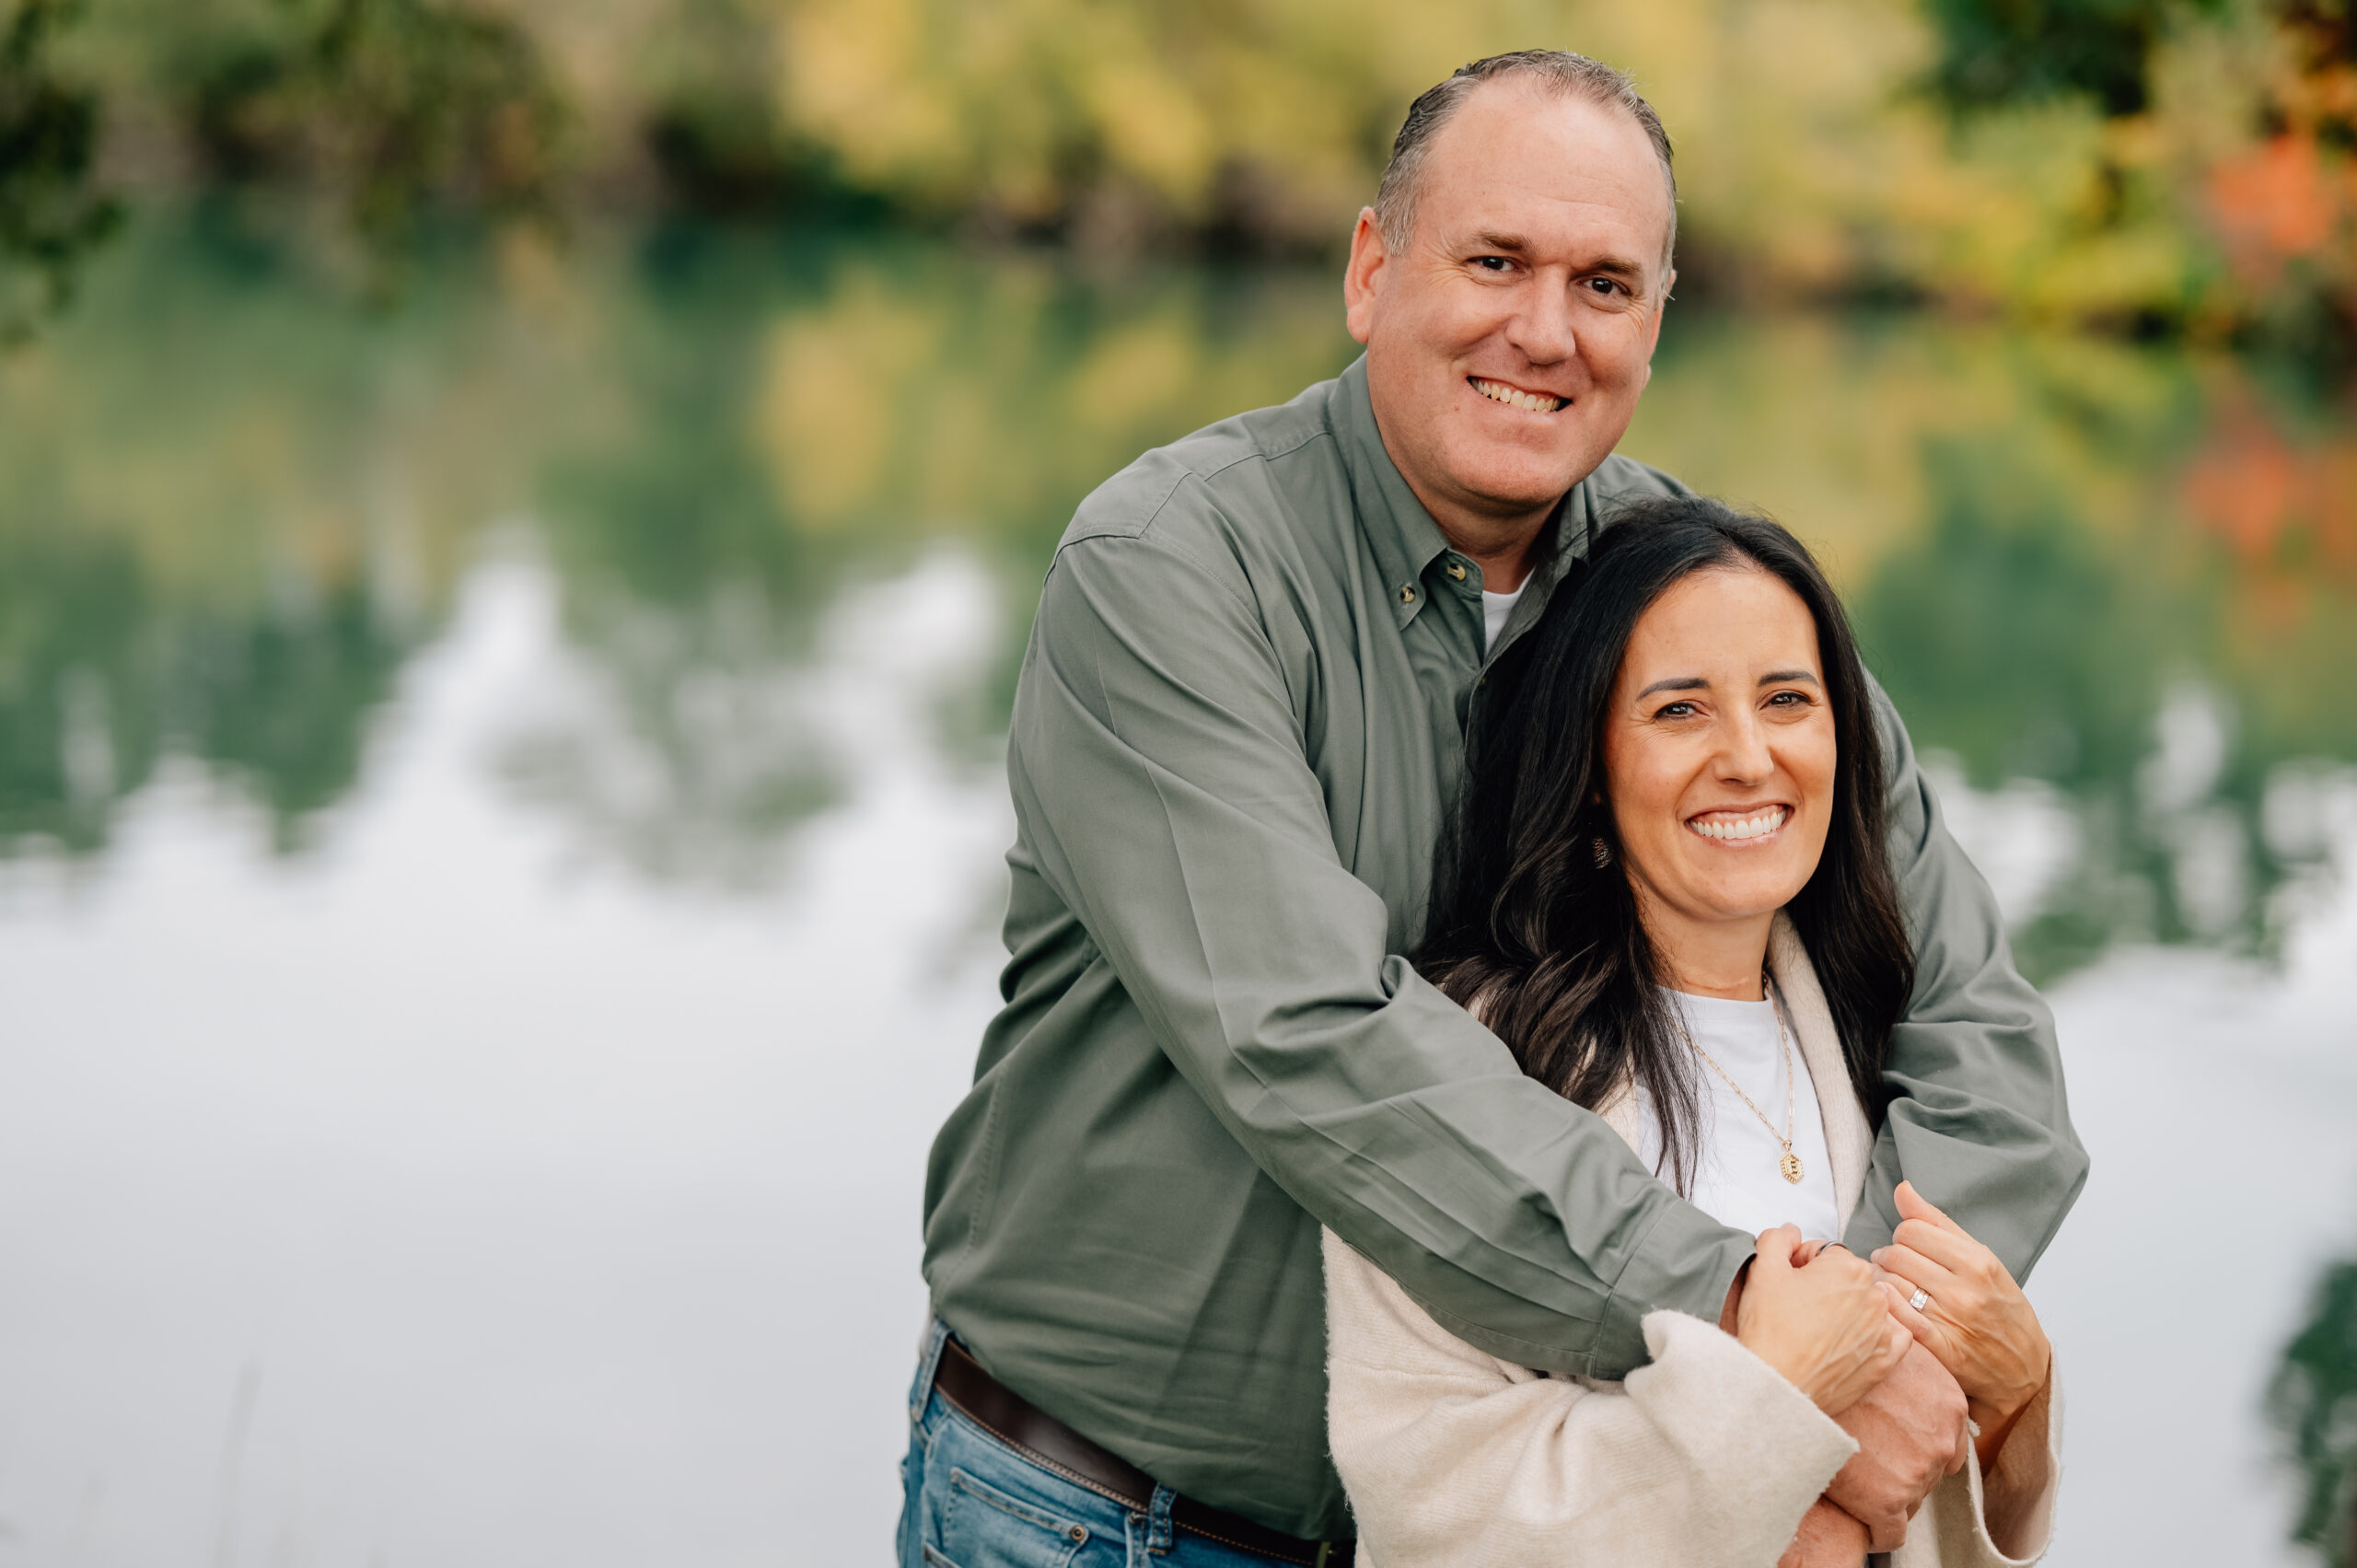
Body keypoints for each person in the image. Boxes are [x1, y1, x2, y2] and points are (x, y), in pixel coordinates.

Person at [901, 49, 2085, 1568]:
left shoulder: (1697, 593)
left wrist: (1849, 1347)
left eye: (1605, 283)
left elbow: (1978, 1034)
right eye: (1494, 261)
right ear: (1371, 267)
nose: (1544, 329)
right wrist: (1749, 1326)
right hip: (1110, 1516)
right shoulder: (1171, 566)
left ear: (1657, 323)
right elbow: (1311, 1035)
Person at [1325, 496, 2061, 1567]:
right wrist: (1777, 1436)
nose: (1749, 756)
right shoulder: (1473, 1059)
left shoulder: (1874, 1042)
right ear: (1588, 769)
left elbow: (1931, 1471)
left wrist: (2014, 1397)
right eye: (1679, 711)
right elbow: (1435, 1499)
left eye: (1786, 699)